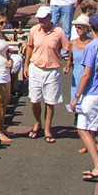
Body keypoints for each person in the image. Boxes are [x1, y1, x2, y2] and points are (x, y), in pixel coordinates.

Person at [70, 16, 98, 181]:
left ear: (90, 27)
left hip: (93, 92)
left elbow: (87, 74)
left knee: (83, 129)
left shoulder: (91, 46)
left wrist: (77, 96)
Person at [25, 12, 70, 140]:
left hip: (52, 70)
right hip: (36, 68)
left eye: (43, 19)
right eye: (39, 19)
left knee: (50, 102)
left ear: (50, 18)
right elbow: (30, 46)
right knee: (34, 100)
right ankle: (37, 122)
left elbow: (67, 47)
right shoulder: (34, 30)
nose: (41, 22)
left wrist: (68, 63)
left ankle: (48, 128)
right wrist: (26, 65)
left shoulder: (59, 32)